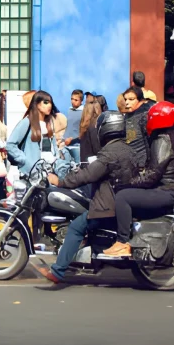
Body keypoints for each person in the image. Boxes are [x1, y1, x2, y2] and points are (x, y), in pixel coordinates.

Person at [32, 111, 137, 284]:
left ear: (105, 129)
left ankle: (57, 271)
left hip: (107, 206)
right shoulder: (128, 149)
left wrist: (61, 181)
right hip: (119, 202)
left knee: (76, 227)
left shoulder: (109, 153)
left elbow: (88, 175)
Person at [103, 101, 174, 257]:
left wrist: (127, 183)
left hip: (164, 190)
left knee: (122, 196)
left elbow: (152, 175)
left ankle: (122, 242)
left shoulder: (163, 139)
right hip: (172, 190)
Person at [6, 90, 68, 176]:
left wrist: (56, 158)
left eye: (50, 103)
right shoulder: (27, 122)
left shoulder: (49, 123)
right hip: (33, 172)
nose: (49, 105)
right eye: (45, 102)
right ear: (37, 104)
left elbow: (53, 146)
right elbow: (10, 144)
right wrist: (24, 160)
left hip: (50, 169)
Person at [122, 86, 150, 167]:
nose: (127, 102)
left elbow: (149, 142)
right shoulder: (127, 115)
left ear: (141, 100)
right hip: (131, 164)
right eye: (125, 99)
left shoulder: (145, 116)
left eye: (131, 99)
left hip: (143, 165)